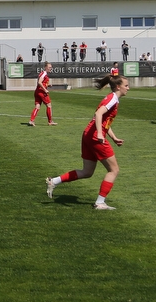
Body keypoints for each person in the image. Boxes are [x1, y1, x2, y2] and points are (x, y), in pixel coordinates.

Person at [46, 74, 130, 210]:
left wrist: (113, 138)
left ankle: (53, 181)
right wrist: (99, 133)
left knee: (87, 172)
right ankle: (100, 202)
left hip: (88, 134)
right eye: (126, 85)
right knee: (114, 170)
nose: (128, 88)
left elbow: (103, 121)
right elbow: (98, 115)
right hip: (94, 137)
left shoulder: (111, 98)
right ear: (118, 87)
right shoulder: (112, 99)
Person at [29, 62, 57, 127]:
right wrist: (45, 90)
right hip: (41, 92)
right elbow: (39, 82)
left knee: (37, 106)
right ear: (45, 67)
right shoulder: (44, 73)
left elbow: (42, 82)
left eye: (51, 67)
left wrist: (48, 85)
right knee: (49, 105)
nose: (51, 68)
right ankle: (50, 121)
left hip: (37, 91)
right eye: (49, 67)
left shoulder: (43, 74)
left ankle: (31, 120)